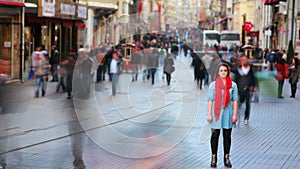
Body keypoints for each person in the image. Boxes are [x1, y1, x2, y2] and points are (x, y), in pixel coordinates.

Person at [207, 63, 238, 168]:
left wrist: (235, 114)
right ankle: (213, 157)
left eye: (225, 70)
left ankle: (226, 157)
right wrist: (209, 114)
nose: (223, 72)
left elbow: (235, 101)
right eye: (221, 70)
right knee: (215, 135)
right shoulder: (213, 85)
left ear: (228, 72)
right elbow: (210, 100)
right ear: (218, 72)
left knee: (227, 136)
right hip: (216, 113)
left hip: (228, 113)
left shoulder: (233, 85)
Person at [233, 56, 256, 125]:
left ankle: (246, 118)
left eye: (245, 60)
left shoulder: (250, 69)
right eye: (242, 60)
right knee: (238, 104)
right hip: (239, 89)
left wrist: (253, 86)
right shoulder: (238, 69)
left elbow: (253, 79)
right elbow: (235, 79)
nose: (243, 61)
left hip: (248, 89)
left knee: (247, 104)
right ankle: (237, 118)